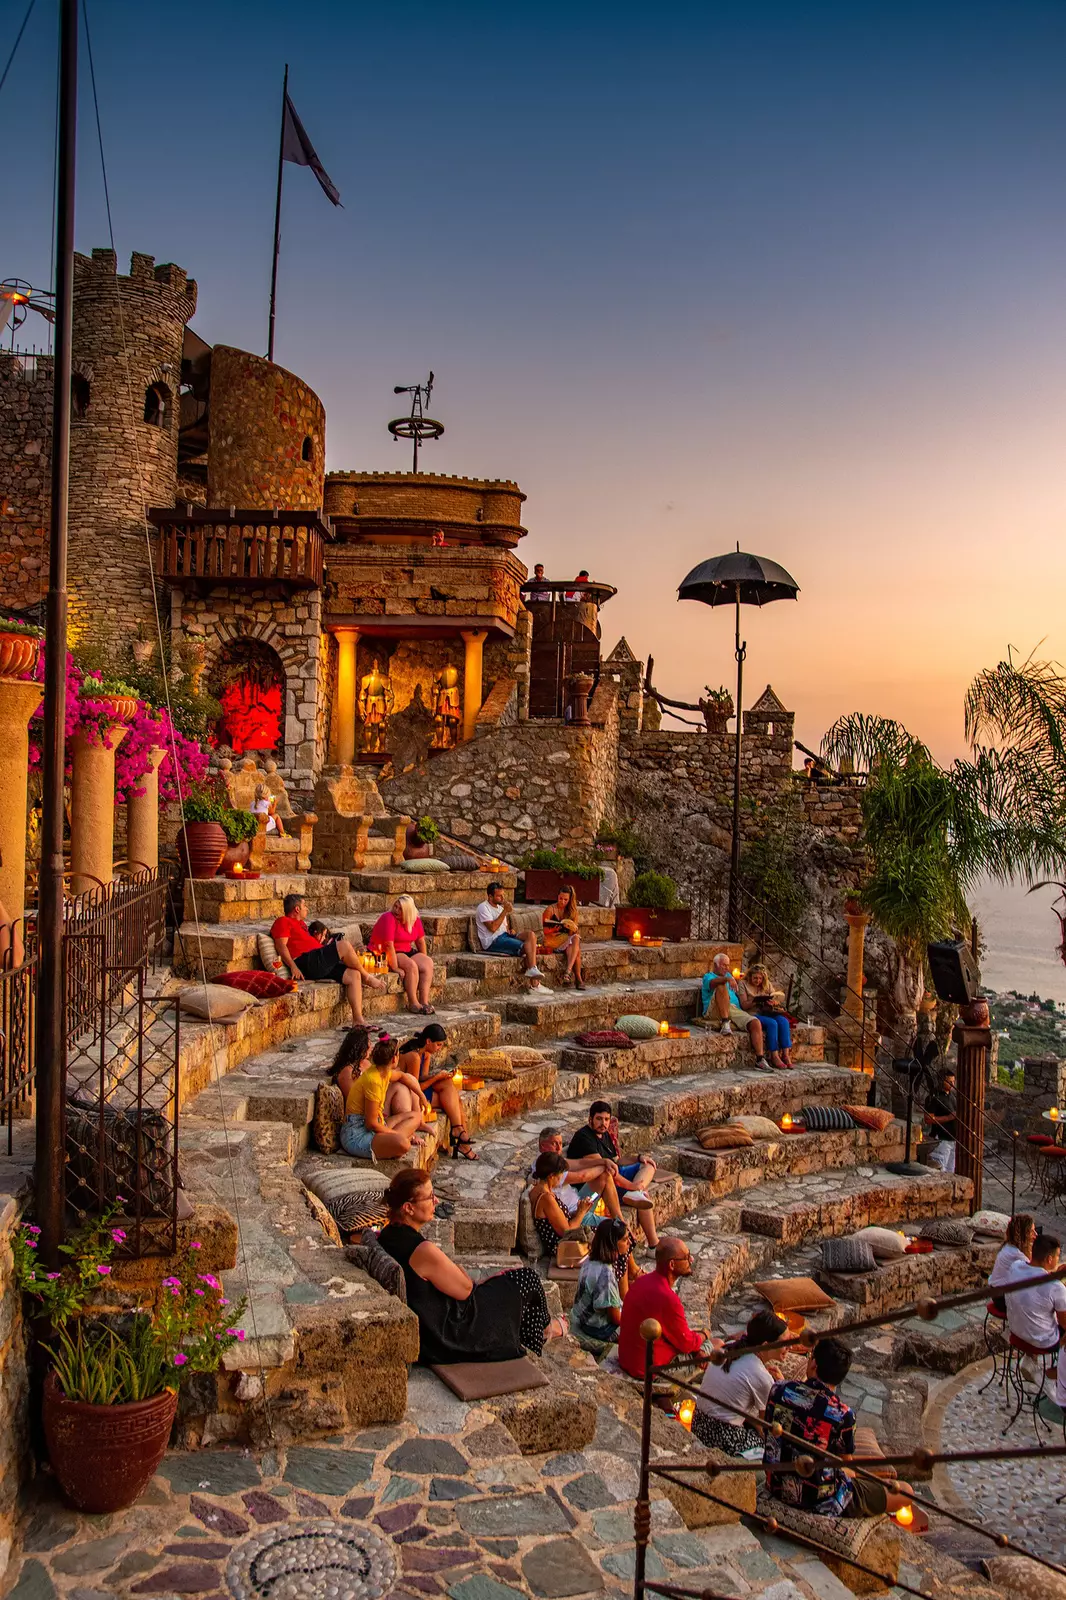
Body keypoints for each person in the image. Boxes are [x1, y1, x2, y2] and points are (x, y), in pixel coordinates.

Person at [379, 1169, 563, 1362]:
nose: (436, 1201)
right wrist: (459, 1271)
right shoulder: (422, 1250)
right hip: (451, 1334)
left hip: (433, 1327)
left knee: (505, 1282)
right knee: (527, 1278)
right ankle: (544, 1330)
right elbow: (466, 1289)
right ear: (408, 1208)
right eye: (430, 1197)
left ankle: (537, 1331)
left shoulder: (388, 1234)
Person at [763, 1338, 914, 1518]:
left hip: (776, 1484)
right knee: (905, 1491)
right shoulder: (843, 1415)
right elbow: (845, 1467)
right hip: (819, 1500)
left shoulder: (778, 1389)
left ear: (813, 1364)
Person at [271, 894, 385, 1027]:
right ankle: (368, 977)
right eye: (304, 906)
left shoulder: (301, 925)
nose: (306, 909)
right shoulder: (282, 921)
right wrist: (293, 966)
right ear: (297, 909)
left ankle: (358, 1020)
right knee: (344, 945)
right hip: (306, 961)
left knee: (354, 975)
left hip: (318, 961)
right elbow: (281, 945)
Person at [693, 1310, 786, 1456]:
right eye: (785, 1343)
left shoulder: (729, 1346)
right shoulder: (761, 1376)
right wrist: (781, 1386)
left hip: (698, 1422)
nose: (789, 1347)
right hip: (719, 1437)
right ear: (766, 1345)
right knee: (774, 1448)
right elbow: (765, 1428)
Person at [567, 1102, 659, 1246]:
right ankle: (653, 1244)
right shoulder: (583, 1137)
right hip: (598, 1186)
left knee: (648, 1165)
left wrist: (639, 1157)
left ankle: (637, 1192)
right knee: (644, 1195)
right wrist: (631, 1186)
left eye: (606, 1119)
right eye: (599, 1119)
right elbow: (606, 1170)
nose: (603, 1123)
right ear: (590, 1119)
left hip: (614, 1175)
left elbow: (617, 1161)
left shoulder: (605, 1134)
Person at [617, 1238, 709, 1377]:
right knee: (714, 1345)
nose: (691, 1260)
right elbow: (687, 1344)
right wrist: (705, 1334)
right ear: (672, 1264)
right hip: (649, 1370)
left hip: (628, 1360)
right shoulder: (668, 1299)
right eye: (686, 1257)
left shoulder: (641, 1281)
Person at [340, 1036, 435, 1160]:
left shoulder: (382, 1070)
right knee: (403, 1144)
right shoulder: (373, 1080)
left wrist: (421, 1096)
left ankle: (395, 1138)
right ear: (394, 1058)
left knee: (416, 1117)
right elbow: (371, 1124)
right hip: (357, 1134)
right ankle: (400, 1139)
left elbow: (402, 1076)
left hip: (375, 1125)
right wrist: (399, 1135)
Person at [397, 1024, 477, 1160]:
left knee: (448, 1085)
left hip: (418, 1088)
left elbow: (423, 1077)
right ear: (428, 1041)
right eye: (438, 1045)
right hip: (410, 1095)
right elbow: (415, 1087)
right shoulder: (414, 1057)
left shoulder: (426, 1054)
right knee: (454, 1102)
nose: (440, 1049)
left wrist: (442, 1076)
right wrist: (436, 1078)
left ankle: (458, 1131)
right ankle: (460, 1136)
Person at [475, 882, 551, 993]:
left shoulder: (500, 908)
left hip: (504, 936)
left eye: (503, 895)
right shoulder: (483, 907)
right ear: (490, 896)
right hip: (493, 941)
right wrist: (505, 911)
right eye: (499, 896)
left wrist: (510, 931)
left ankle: (532, 969)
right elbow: (492, 928)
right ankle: (535, 983)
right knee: (529, 947)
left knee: (531, 935)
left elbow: (503, 928)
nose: (502, 898)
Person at [700, 953, 772, 1071]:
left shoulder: (729, 975)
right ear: (715, 965)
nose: (727, 968)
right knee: (721, 985)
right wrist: (728, 979)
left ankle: (760, 1060)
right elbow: (713, 983)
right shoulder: (708, 976)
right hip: (714, 1010)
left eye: (728, 965)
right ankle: (725, 1023)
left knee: (755, 1023)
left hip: (734, 1009)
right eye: (724, 965)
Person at [1004, 1231, 1066, 1362]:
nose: (1058, 1260)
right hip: (1041, 1341)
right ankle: (1059, 1373)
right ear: (1049, 1259)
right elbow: (1064, 1324)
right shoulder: (1056, 1287)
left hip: (1016, 1330)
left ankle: (1031, 1358)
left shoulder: (1015, 1266)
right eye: (1057, 1256)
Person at [369, 894, 435, 1015]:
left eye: (400, 909)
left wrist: (424, 957)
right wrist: (395, 968)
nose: (396, 910)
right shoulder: (388, 918)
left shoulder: (415, 919)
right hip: (385, 951)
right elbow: (389, 945)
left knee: (428, 963)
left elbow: (420, 941)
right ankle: (413, 1003)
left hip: (406, 950)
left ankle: (424, 1001)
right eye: (395, 906)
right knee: (411, 965)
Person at [570, 1218, 629, 1353]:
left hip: (584, 1317)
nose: (629, 1243)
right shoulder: (605, 1275)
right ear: (613, 1244)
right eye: (625, 1240)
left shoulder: (590, 1261)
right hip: (597, 1327)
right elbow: (615, 1317)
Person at [529, 1151, 599, 1257]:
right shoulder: (546, 1198)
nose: (561, 1178)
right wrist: (581, 1213)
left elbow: (559, 1219)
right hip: (563, 1246)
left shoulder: (542, 1190)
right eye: (559, 1175)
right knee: (612, 1236)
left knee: (614, 1232)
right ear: (551, 1176)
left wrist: (579, 1209)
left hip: (566, 1240)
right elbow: (567, 1232)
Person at [740, 963, 794, 1069]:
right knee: (772, 1023)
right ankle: (774, 1055)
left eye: (760, 978)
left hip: (767, 1011)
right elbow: (744, 1005)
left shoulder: (766, 984)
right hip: (753, 1013)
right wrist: (756, 1001)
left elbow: (774, 997)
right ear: (750, 976)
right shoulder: (743, 984)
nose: (758, 980)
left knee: (784, 1021)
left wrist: (773, 1002)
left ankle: (786, 1055)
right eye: (755, 978)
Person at [989, 1213, 1037, 1313]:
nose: (1035, 1234)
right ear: (1023, 1234)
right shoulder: (1016, 1254)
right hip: (1002, 1299)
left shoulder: (1009, 1246)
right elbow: (1034, 1274)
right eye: (1031, 1231)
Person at [542, 886, 584, 989]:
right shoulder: (550, 909)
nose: (562, 901)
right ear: (557, 896)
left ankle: (568, 972)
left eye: (565, 899)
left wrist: (571, 928)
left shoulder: (572, 911)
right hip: (552, 940)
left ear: (569, 900)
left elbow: (573, 932)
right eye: (560, 898)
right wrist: (554, 929)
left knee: (576, 938)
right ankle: (578, 979)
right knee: (576, 950)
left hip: (565, 939)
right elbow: (545, 931)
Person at [924, 1067, 957, 1172]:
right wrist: (949, 1117)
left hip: (953, 1139)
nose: (952, 1084)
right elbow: (928, 1119)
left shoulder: (952, 1096)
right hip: (941, 1139)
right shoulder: (934, 1097)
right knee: (940, 1170)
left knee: (951, 1170)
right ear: (942, 1081)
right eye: (949, 1082)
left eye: (953, 1081)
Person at [328, 1025, 372, 1102]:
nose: (370, 1046)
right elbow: (354, 1101)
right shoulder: (347, 1072)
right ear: (360, 1047)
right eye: (368, 1042)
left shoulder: (367, 1064)